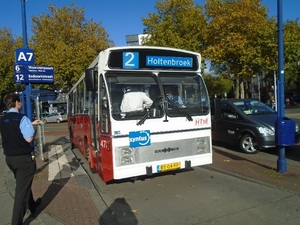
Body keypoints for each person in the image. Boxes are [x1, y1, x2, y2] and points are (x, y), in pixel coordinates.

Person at [0, 93, 42, 225]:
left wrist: (29, 124)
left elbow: (10, 132)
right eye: (20, 102)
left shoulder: (2, 119)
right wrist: (33, 126)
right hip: (24, 159)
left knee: (23, 185)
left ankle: (33, 206)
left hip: (10, 159)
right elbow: (29, 138)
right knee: (21, 193)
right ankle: (16, 222)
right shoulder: (22, 118)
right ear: (17, 102)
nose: (21, 104)